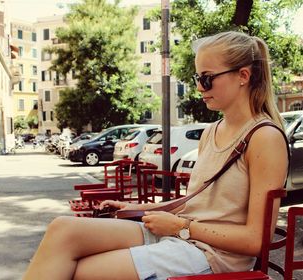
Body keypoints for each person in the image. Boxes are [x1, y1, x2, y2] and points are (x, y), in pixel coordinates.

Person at [23, 31, 288, 280]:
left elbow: (256, 239)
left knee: (81, 271)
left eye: (207, 78)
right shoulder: (212, 132)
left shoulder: (264, 137)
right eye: (197, 79)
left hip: (214, 255)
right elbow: (198, 204)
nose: (199, 87)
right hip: (185, 236)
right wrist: (139, 208)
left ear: (243, 75)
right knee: (63, 230)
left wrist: (179, 227)